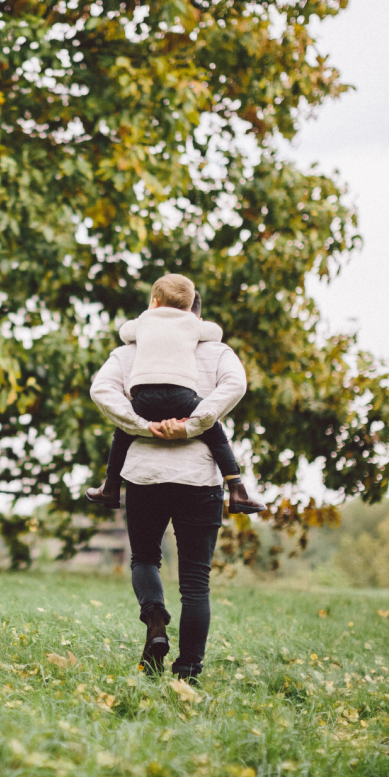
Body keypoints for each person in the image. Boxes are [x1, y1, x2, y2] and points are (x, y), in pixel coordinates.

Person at [87, 284, 249, 680]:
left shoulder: (130, 351)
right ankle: (188, 672)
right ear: (197, 315)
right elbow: (236, 385)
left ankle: (155, 619)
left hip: (145, 476)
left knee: (144, 559)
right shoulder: (217, 352)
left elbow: (101, 389)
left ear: (155, 307)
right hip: (199, 480)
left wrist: (141, 425)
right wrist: (194, 424)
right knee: (195, 581)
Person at [85, 274, 262, 515]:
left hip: (144, 402)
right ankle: (238, 489)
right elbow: (215, 332)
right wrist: (192, 425)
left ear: (155, 301)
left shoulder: (142, 323)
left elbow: (125, 332)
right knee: (214, 429)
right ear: (191, 309)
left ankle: (111, 486)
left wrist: (140, 425)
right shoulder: (195, 327)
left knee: (122, 433)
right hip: (183, 398)